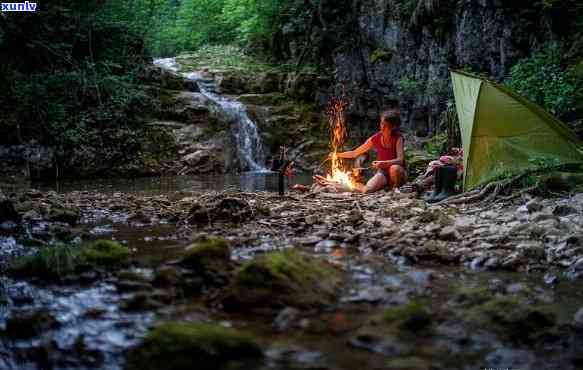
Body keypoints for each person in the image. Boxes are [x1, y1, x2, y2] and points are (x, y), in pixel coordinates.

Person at [333, 110, 406, 193]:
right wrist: (336, 155)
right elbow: (355, 153)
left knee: (394, 168)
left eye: (386, 126)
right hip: (383, 172)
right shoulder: (375, 138)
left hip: (398, 172)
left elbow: (400, 160)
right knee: (368, 190)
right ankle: (343, 186)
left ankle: (396, 188)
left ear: (393, 127)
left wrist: (383, 163)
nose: (382, 127)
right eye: (382, 124)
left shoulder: (398, 138)